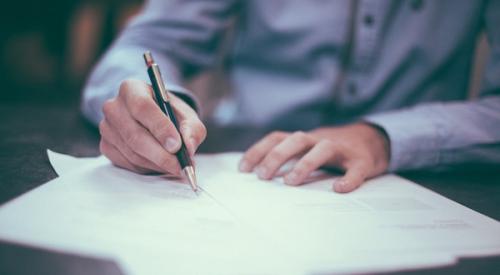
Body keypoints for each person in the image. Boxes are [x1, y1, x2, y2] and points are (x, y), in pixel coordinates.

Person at [81, 0, 500, 193]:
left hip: (425, 177)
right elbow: (149, 42)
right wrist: (153, 105)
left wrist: (384, 136)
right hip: (247, 163)